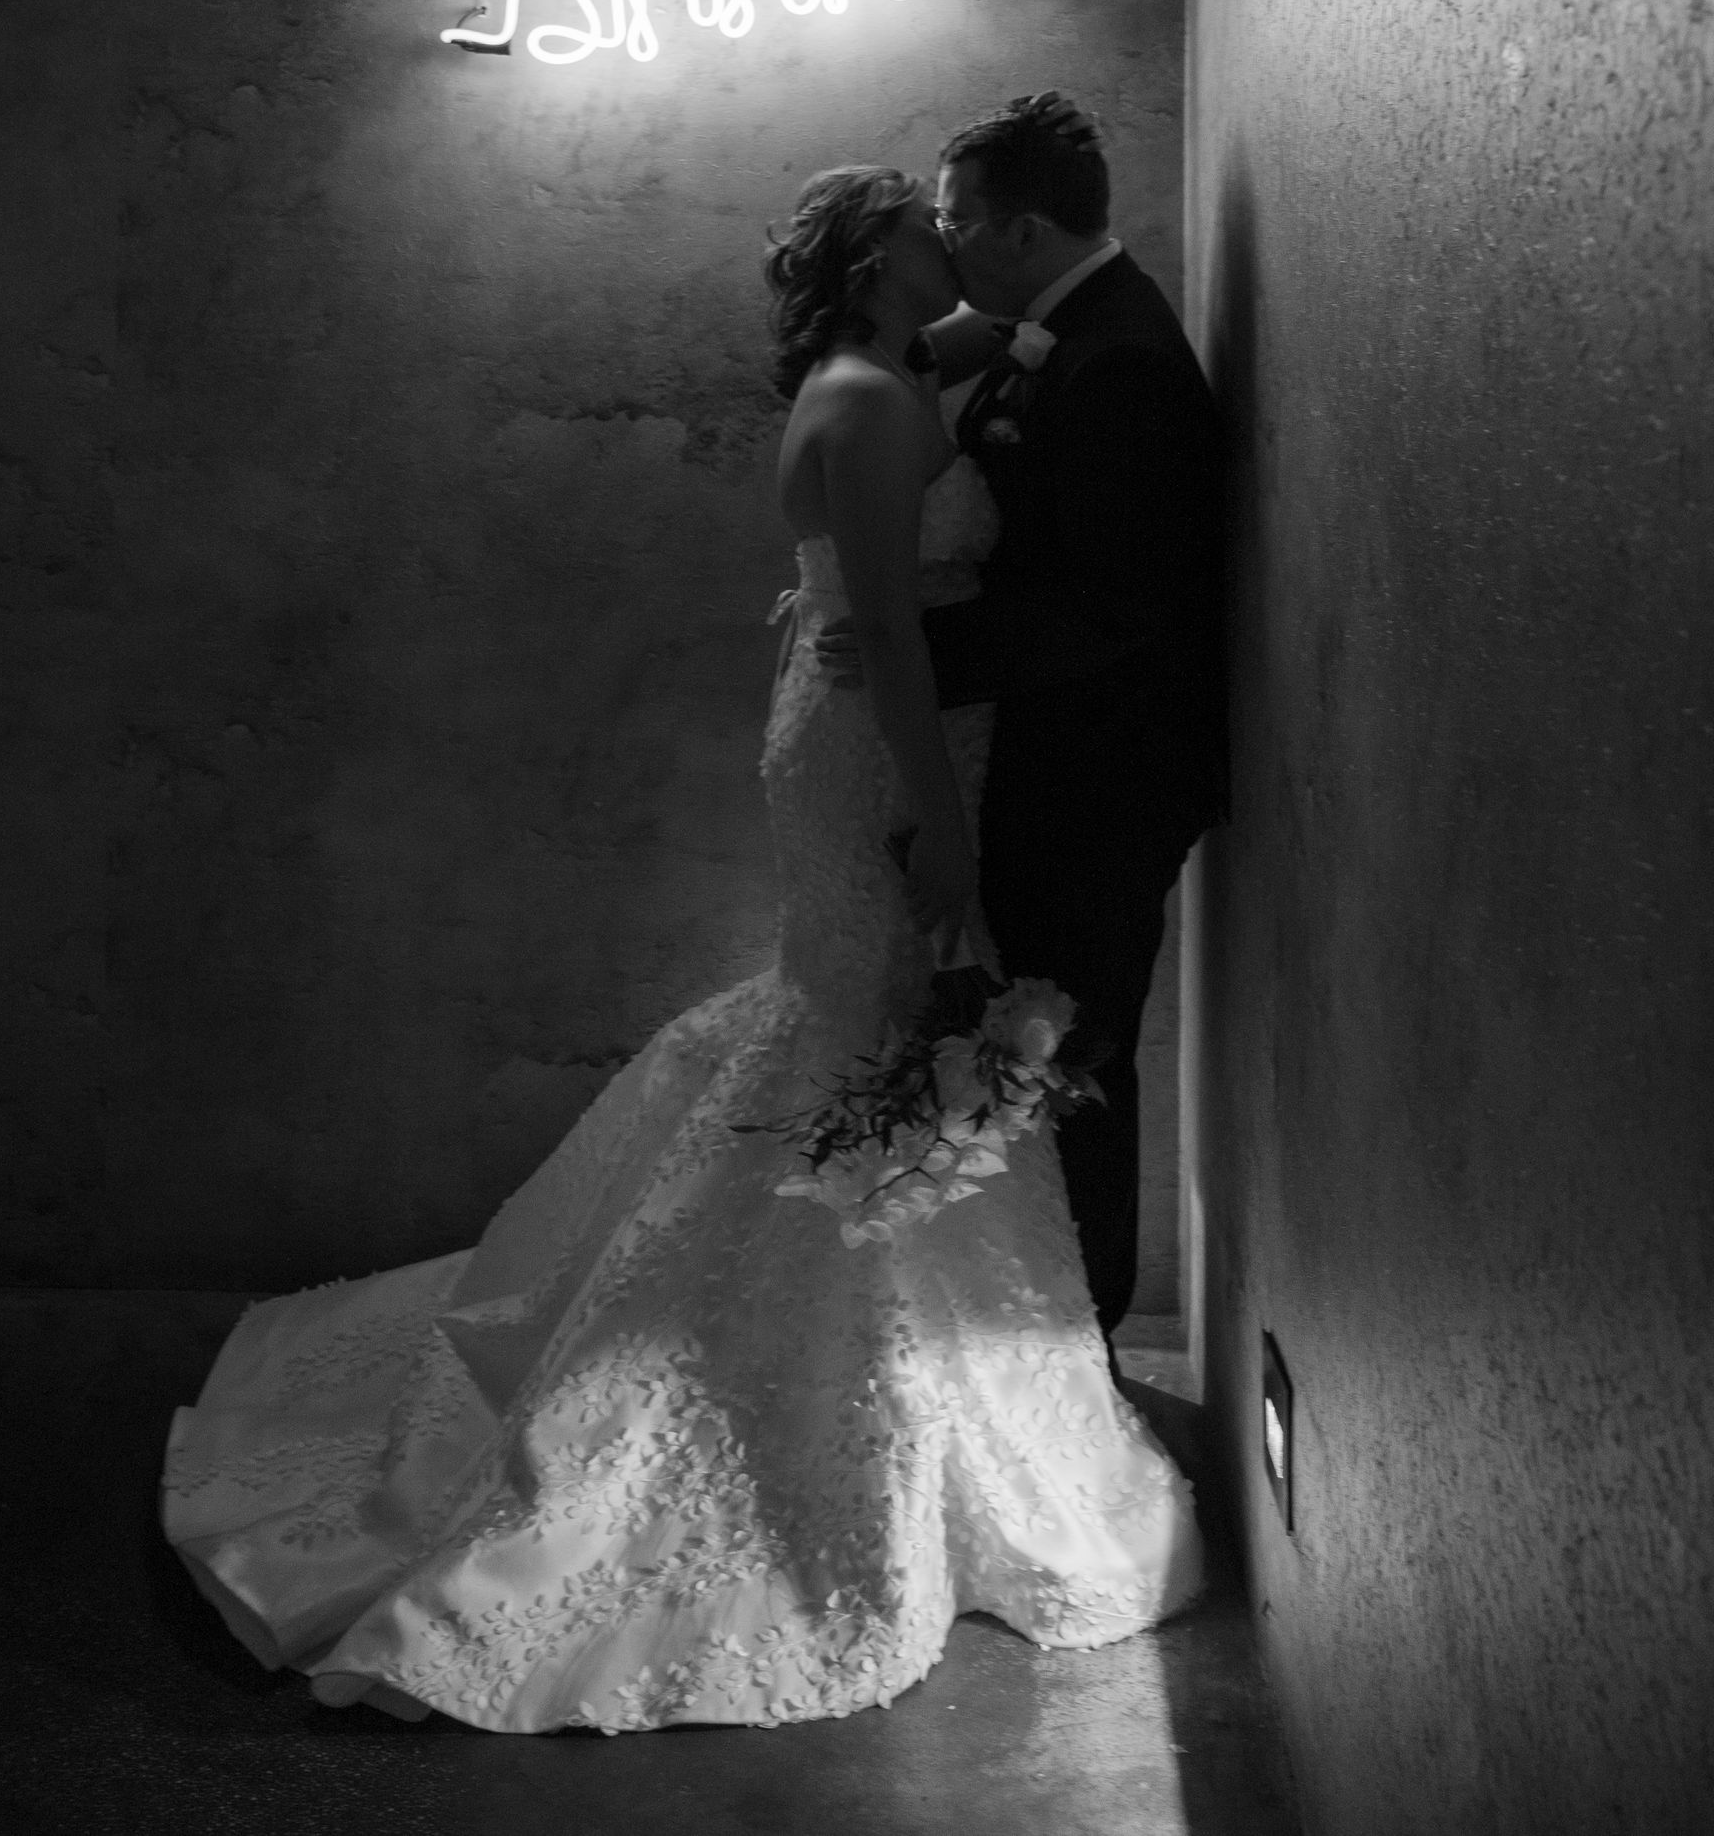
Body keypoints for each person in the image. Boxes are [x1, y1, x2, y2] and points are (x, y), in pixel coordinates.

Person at [161, 163, 1203, 1736]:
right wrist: (945, 831)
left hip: (909, 724)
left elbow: (1010, 339)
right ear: (874, 268)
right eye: (927, 234)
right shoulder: (863, 402)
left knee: (861, 1032)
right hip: (882, 754)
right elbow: (897, 642)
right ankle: (745, 1388)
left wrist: (1040, 322)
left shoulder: (912, 365)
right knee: (856, 1021)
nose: (953, 248)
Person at [828, 93, 1227, 1344]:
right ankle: (1037, 1314)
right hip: (1054, 752)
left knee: (1073, 1062)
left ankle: (1087, 1334)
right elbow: (937, 363)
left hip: (1105, 776)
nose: (946, 242)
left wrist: (911, 650)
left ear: (1019, 230)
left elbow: (1112, 608)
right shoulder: (1052, 321)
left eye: (957, 219)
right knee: (1033, 1047)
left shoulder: (1117, 365)